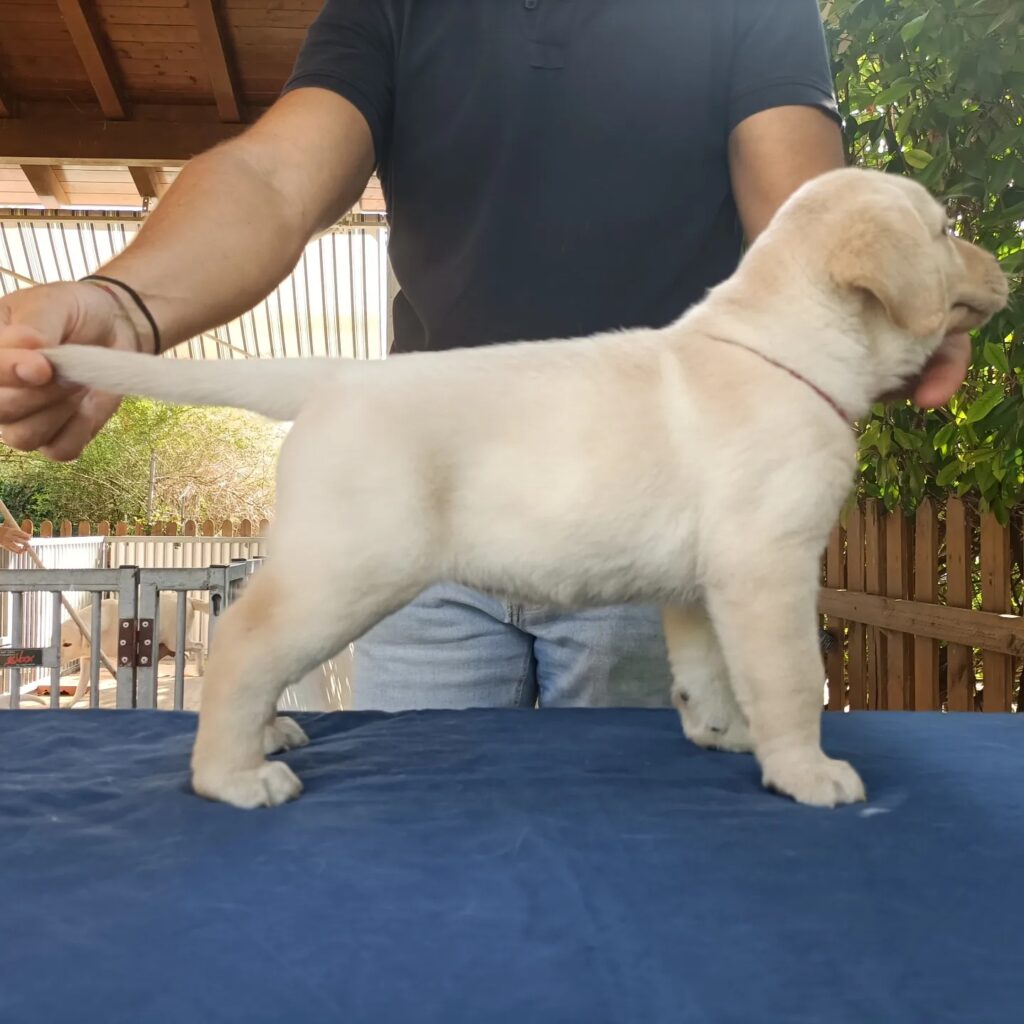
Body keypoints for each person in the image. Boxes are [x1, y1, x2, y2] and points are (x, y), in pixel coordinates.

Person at [0, 1, 970, 712]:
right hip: (426, 524)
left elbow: (802, 207)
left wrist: (896, 294)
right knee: (419, 849)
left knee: (640, 860)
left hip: (650, 528)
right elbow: (269, 172)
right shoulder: (392, 6)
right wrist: (126, 303)